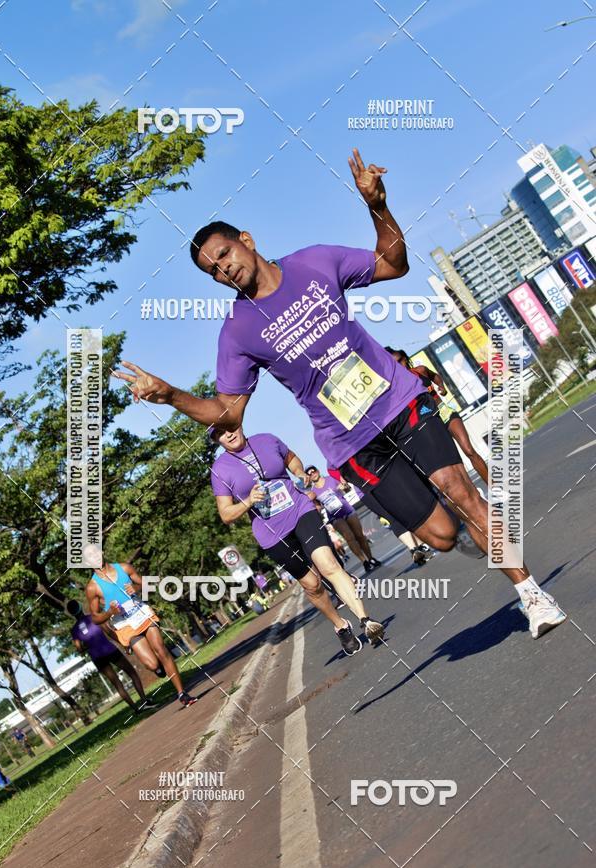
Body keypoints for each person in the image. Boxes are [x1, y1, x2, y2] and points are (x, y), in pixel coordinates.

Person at [115, 147, 565, 640]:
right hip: (349, 442)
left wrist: (377, 205)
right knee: (441, 535)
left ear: (246, 241)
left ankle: (531, 595)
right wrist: (171, 395)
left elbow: (393, 264)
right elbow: (227, 413)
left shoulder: (314, 263)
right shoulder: (237, 332)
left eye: (224, 255)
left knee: (462, 492)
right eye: (213, 271)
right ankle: (466, 535)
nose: (224, 270)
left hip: (399, 400)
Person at [209, 425, 385, 653]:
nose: (229, 434)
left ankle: (366, 621)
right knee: (312, 585)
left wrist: (300, 473)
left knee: (328, 563)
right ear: (216, 439)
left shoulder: (267, 439)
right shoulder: (220, 470)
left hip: (300, 510)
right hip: (272, 534)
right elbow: (226, 514)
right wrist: (248, 501)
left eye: (230, 427)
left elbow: (292, 459)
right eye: (221, 433)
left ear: (239, 424)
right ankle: (341, 626)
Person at [85, 560, 198, 707]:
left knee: (161, 650)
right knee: (151, 664)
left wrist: (136, 588)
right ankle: (158, 668)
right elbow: (95, 618)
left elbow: (148, 586)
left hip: (142, 613)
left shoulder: (124, 568)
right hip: (125, 625)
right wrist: (109, 612)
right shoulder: (92, 587)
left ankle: (182, 694)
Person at [387, 347, 489, 485]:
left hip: (444, 412)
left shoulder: (420, 371)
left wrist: (441, 387)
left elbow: (435, 377)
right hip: (428, 424)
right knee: (454, 465)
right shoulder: (398, 388)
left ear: (405, 358)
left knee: (469, 450)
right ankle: (474, 496)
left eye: (400, 361)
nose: (400, 366)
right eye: (395, 365)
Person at [326, 466, 432, 567]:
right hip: (375, 484)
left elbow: (341, 479)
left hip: (366, 490)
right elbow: (342, 481)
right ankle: (420, 546)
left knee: (393, 518)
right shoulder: (339, 456)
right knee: (400, 514)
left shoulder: (332, 460)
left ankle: (414, 549)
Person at [68, 599, 156, 713]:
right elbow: (109, 632)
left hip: (97, 657)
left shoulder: (74, 630)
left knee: (117, 683)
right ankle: (144, 701)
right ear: (80, 607)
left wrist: (88, 646)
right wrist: (123, 644)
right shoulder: (94, 618)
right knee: (132, 673)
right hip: (109, 650)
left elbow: (79, 648)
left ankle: (135, 708)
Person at [305, 465, 381, 573]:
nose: (313, 473)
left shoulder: (330, 479)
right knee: (349, 538)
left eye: (314, 471)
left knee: (360, 536)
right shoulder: (313, 492)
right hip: (334, 516)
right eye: (310, 473)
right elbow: (317, 506)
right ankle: (364, 561)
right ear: (308, 477)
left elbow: (347, 488)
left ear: (318, 470)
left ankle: (370, 558)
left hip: (347, 510)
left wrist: (344, 487)